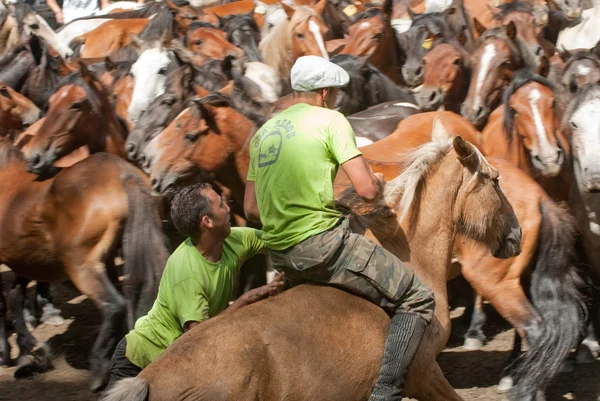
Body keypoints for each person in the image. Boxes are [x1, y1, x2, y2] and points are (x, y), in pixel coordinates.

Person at [244, 55, 435, 401]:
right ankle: (386, 393)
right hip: (322, 246)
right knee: (417, 297)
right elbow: (365, 190)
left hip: (281, 256)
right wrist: (376, 182)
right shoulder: (331, 120)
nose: (336, 100)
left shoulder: (263, 133)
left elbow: (251, 208)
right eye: (335, 94)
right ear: (326, 92)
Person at [106, 183, 285, 389]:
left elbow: (277, 241)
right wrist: (246, 300)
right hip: (139, 362)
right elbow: (199, 335)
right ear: (207, 221)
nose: (228, 208)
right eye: (220, 205)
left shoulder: (234, 240)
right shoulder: (187, 273)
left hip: (175, 359)